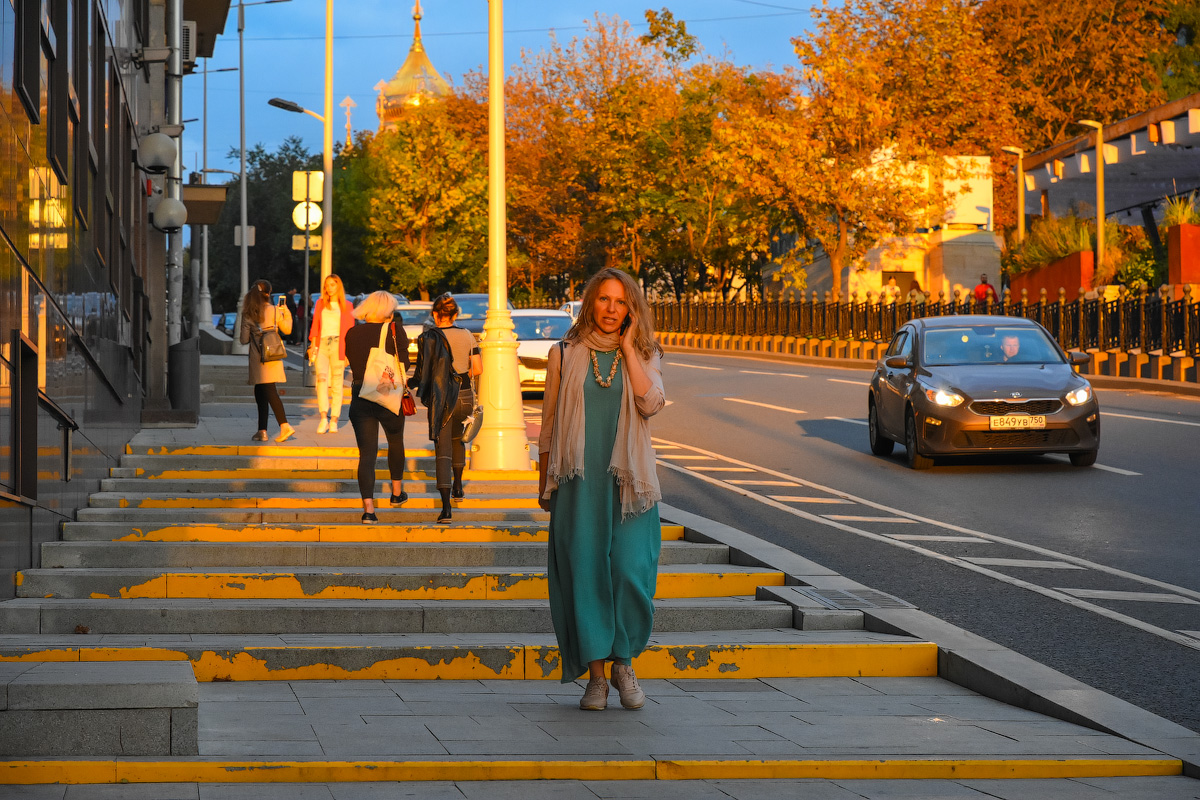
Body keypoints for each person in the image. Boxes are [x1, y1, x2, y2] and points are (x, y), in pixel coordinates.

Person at [537, 268, 666, 712]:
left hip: (631, 484)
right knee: (586, 574)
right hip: (579, 482)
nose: (612, 310)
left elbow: (650, 405)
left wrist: (629, 347)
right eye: (605, 300)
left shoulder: (645, 352)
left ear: (632, 309)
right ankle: (596, 676)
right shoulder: (564, 352)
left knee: (631, 572)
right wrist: (545, 485)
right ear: (590, 302)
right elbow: (550, 425)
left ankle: (624, 661)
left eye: (622, 302)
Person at [408, 294, 482, 525]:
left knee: (443, 451)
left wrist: (409, 385)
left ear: (435, 314)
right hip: (465, 395)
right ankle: (458, 487)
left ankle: (446, 509)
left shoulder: (428, 337)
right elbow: (477, 368)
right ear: (456, 314)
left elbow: (422, 375)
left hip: (442, 400)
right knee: (459, 440)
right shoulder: (468, 335)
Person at [344, 291, 410, 524]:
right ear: (387, 310)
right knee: (395, 440)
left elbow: (352, 361)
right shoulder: (394, 330)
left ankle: (369, 511)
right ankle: (396, 493)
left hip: (361, 395)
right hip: (387, 394)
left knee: (367, 454)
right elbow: (404, 364)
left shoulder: (352, 333)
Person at [240, 280, 295, 442]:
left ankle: (285, 425)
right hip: (274, 356)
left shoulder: (249, 313)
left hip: (259, 359)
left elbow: (243, 340)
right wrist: (286, 313)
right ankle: (262, 430)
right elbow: (287, 330)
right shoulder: (275, 310)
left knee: (269, 390)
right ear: (269, 294)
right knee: (261, 391)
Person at [307, 274, 355, 433]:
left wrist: (349, 352)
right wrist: (313, 345)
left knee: (336, 381)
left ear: (338, 286)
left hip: (338, 345)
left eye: (332, 285)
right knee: (321, 380)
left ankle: (334, 418)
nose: (329, 288)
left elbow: (350, 331)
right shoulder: (320, 303)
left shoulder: (347, 305)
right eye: (327, 285)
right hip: (322, 344)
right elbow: (315, 325)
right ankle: (322, 418)